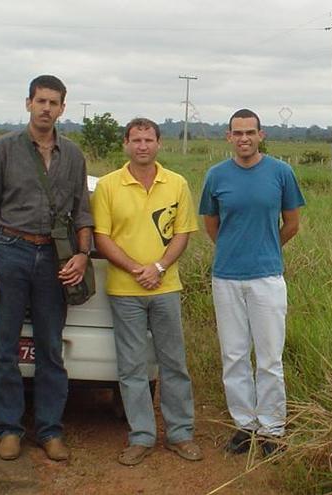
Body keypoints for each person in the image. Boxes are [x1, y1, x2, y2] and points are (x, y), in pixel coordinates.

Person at [0, 75, 93, 462]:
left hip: (54, 261)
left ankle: (50, 430)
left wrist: (82, 254)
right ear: (28, 104)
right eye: (40, 101)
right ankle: (9, 429)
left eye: (53, 102)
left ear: (62, 108)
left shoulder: (73, 155)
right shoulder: (4, 150)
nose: (46, 108)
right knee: (5, 348)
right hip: (10, 252)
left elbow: (83, 212)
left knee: (50, 349)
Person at [91, 118, 203, 466]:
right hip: (125, 291)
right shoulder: (109, 185)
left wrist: (157, 268)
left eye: (149, 139)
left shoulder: (177, 183)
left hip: (166, 286)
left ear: (159, 144)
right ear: (126, 144)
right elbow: (102, 237)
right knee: (132, 367)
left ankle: (180, 434)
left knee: (173, 363)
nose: (142, 146)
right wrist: (136, 269)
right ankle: (141, 436)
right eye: (136, 140)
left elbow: (182, 233)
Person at [198, 108, 305, 457]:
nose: (244, 138)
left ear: (262, 135)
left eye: (250, 132)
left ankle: (273, 429)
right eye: (237, 132)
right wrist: (233, 249)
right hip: (226, 277)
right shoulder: (216, 176)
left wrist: (265, 248)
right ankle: (245, 426)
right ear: (228, 137)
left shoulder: (281, 173)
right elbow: (211, 223)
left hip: (267, 278)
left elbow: (291, 223)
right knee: (234, 355)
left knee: (270, 357)